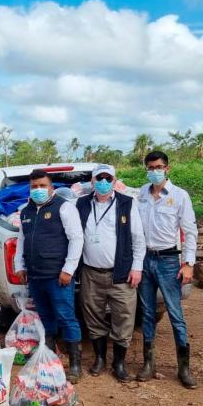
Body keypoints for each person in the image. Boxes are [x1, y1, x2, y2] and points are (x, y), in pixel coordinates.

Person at [75, 164, 145, 383]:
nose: (103, 182)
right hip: (91, 272)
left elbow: (138, 238)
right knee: (93, 315)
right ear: (92, 181)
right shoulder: (82, 203)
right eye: (99, 178)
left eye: (108, 178)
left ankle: (119, 363)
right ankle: (99, 358)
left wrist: (137, 267)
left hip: (121, 273)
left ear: (115, 181)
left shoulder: (127, 203)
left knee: (124, 317)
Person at [135, 151, 198, 389]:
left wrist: (188, 263)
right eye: (150, 167)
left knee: (175, 313)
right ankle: (148, 364)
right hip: (145, 259)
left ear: (167, 169)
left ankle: (184, 368)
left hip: (169, 260)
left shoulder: (179, 196)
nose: (155, 171)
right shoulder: (141, 194)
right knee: (147, 313)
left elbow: (190, 231)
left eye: (159, 167)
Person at [15, 169, 84, 383]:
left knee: (66, 317)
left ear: (51, 188)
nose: (38, 190)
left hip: (58, 276)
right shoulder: (25, 211)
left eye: (42, 186)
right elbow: (21, 241)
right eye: (34, 187)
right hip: (36, 276)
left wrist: (68, 270)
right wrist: (20, 265)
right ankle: (50, 361)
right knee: (46, 319)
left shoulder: (64, 207)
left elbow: (77, 239)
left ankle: (75, 365)